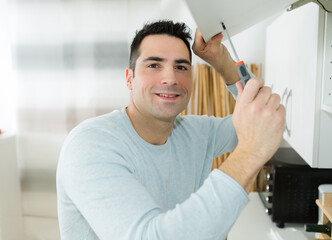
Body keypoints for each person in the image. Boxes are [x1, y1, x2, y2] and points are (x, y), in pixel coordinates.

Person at [56, 20, 285, 240]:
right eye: (154, 65)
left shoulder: (195, 132)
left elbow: (264, 118)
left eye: (181, 67)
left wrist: (222, 61)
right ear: (129, 78)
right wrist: (248, 156)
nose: (171, 78)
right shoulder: (90, 144)